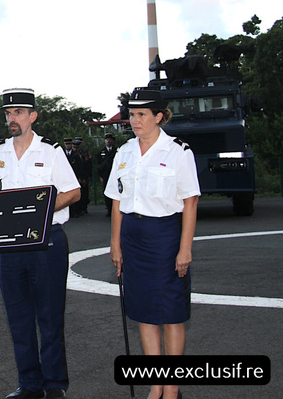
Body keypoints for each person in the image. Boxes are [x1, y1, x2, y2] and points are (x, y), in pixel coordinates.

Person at [0, 88, 80, 399]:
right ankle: (29, 384)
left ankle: (54, 384)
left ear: (32, 116)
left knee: (50, 316)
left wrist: (40, 212)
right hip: (9, 246)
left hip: (46, 243)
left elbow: (73, 192)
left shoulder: (50, 151)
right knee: (18, 318)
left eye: (19, 113)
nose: (12, 118)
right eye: (8, 113)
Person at [107, 89, 199, 399]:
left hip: (164, 236)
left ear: (159, 117)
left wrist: (185, 248)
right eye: (132, 115)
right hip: (132, 236)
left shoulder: (177, 152)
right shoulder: (124, 152)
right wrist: (115, 243)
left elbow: (190, 202)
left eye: (142, 115)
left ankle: (171, 388)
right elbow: (117, 201)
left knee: (171, 313)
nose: (134, 121)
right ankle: (155, 384)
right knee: (144, 313)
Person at [97, 133, 117, 216]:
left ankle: (115, 210)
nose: (108, 141)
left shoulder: (117, 151)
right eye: (107, 139)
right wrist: (100, 176)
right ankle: (109, 209)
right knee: (107, 192)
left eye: (110, 139)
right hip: (106, 175)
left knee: (115, 192)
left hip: (115, 174)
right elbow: (98, 165)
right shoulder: (101, 152)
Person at [64, 139, 84, 218]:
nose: (68, 146)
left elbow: (80, 167)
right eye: (66, 144)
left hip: (74, 177)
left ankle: (76, 211)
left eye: (69, 144)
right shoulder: (63, 154)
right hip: (66, 177)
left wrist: (80, 177)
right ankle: (70, 212)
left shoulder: (75, 155)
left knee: (74, 194)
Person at [73, 137, 91, 216]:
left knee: (84, 193)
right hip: (77, 176)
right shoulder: (74, 154)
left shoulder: (85, 153)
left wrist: (87, 176)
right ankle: (78, 209)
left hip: (84, 175)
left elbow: (88, 164)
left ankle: (84, 207)